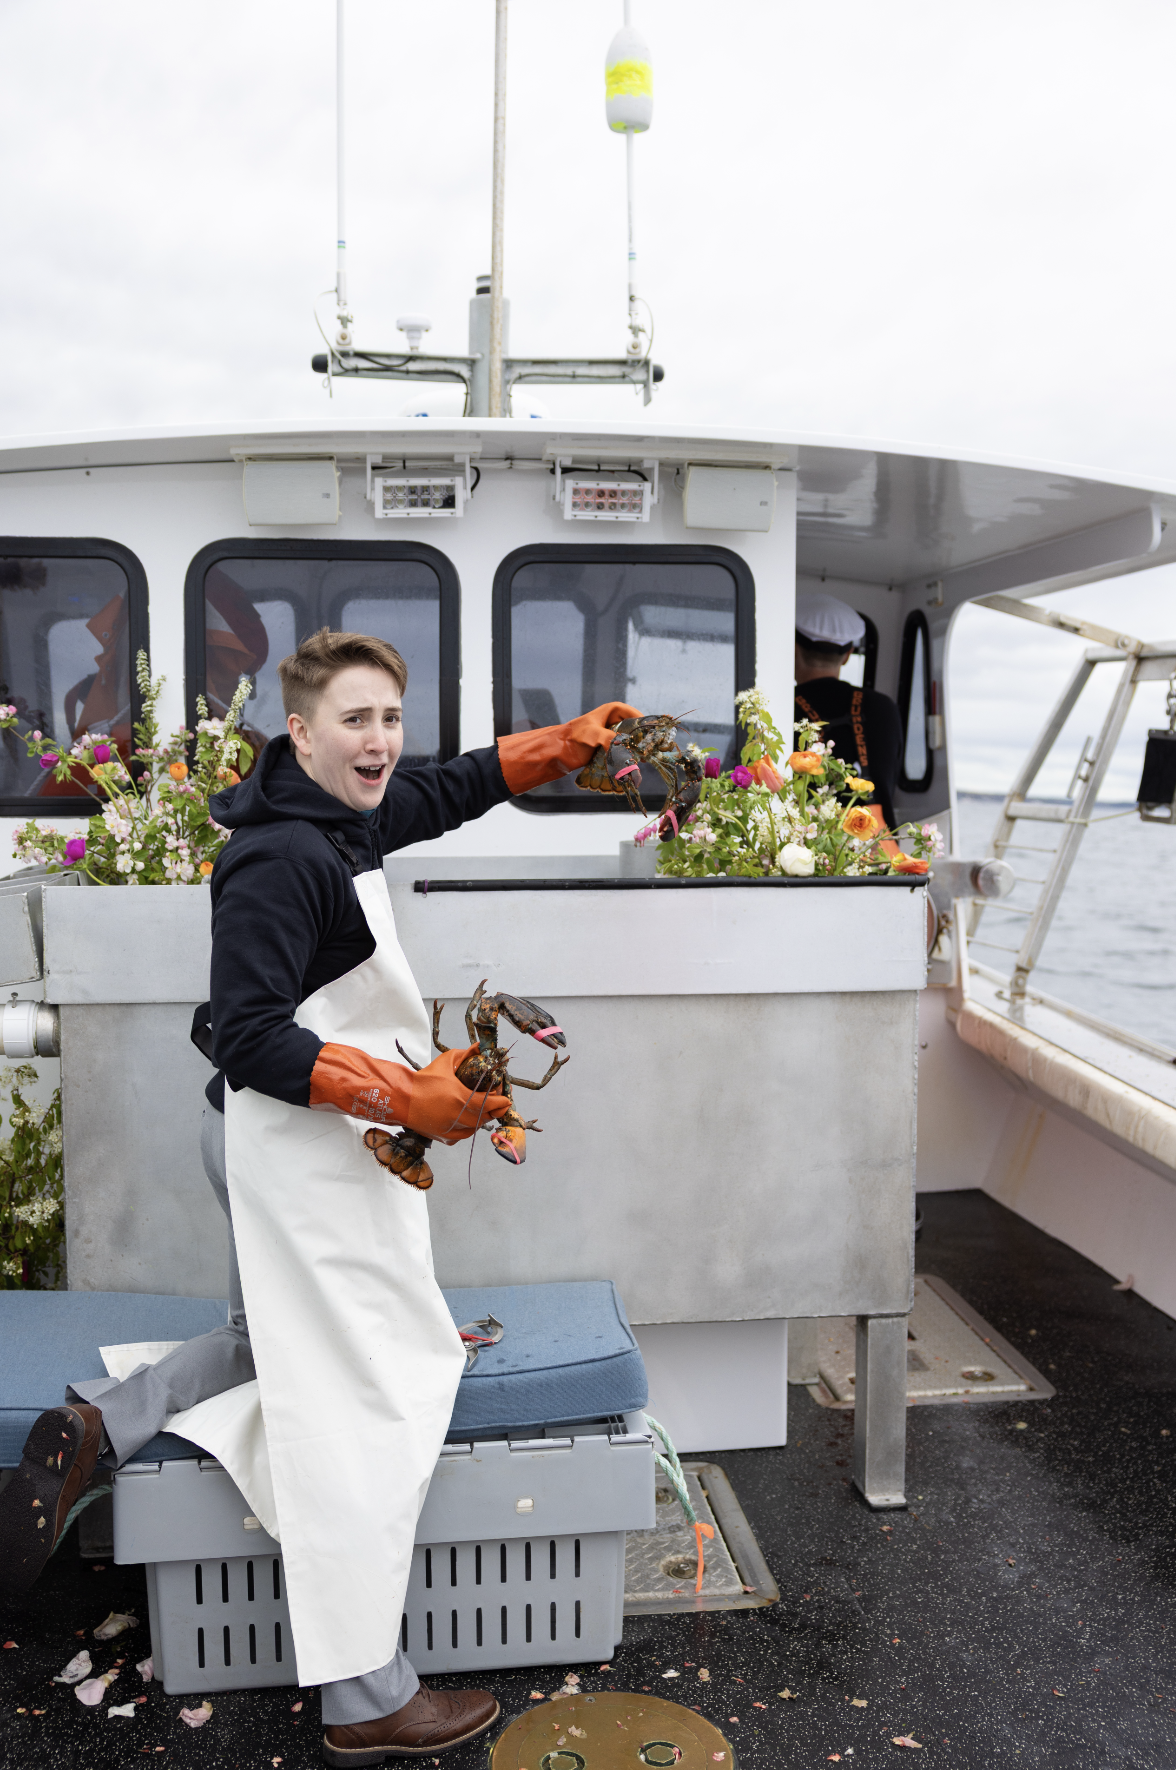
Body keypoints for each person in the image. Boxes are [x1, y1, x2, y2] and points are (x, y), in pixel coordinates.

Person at [0, 628, 639, 1765]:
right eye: (356, 720)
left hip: (308, 1147)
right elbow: (249, 1034)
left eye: (390, 718)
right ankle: (366, 1696)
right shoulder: (279, 858)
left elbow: (446, 787)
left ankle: (108, 1419)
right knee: (365, 1399)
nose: (382, 741)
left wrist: (560, 750)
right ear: (297, 730)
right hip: (288, 1151)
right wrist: (410, 1097)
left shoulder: (345, 810)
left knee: (282, 1343)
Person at [793, 588, 903, 832]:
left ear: (794, 648)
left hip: (806, 855)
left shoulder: (782, 706)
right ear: (847, 655)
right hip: (880, 858)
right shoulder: (884, 708)